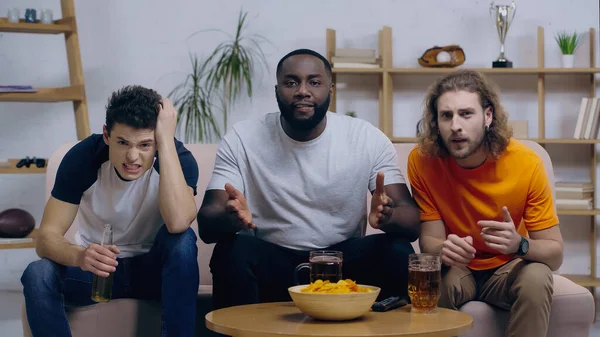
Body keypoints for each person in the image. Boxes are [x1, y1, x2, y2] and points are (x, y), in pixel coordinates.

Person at [197, 48, 421, 309]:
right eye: (291, 82)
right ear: (277, 90)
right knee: (231, 252)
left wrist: (389, 216)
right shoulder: (242, 138)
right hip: (273, 259)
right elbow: (207, 225)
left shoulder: (366, 138)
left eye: (314, 82)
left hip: (343, 262)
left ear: (330, 89)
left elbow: (412, 223)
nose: (303, 90)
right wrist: (230, 217)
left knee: (399, 252)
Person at [21, 85, 200, 337]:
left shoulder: (176, 159)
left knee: (183, 241)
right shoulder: (84, 157)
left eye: (145, 145)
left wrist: (166, 143)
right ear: (107, 135)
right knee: (37, 273)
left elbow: (179, 222)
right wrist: (79, 256)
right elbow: (46, 238)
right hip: (96, 272)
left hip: (153, 272)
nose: (133, 157)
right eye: (122, 142)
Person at [407, 69, 563, 337]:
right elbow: (429, 241)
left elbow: (555, 253)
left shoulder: (526, 163)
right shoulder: (422, 162)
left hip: (508, 266)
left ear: (488, 116)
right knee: (431, 278)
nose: (456, 125)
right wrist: (443, 249)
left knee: (538, 276)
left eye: (466, 114)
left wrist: (519, 244)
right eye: (446, 115)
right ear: (437, 122)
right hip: (459, 269)